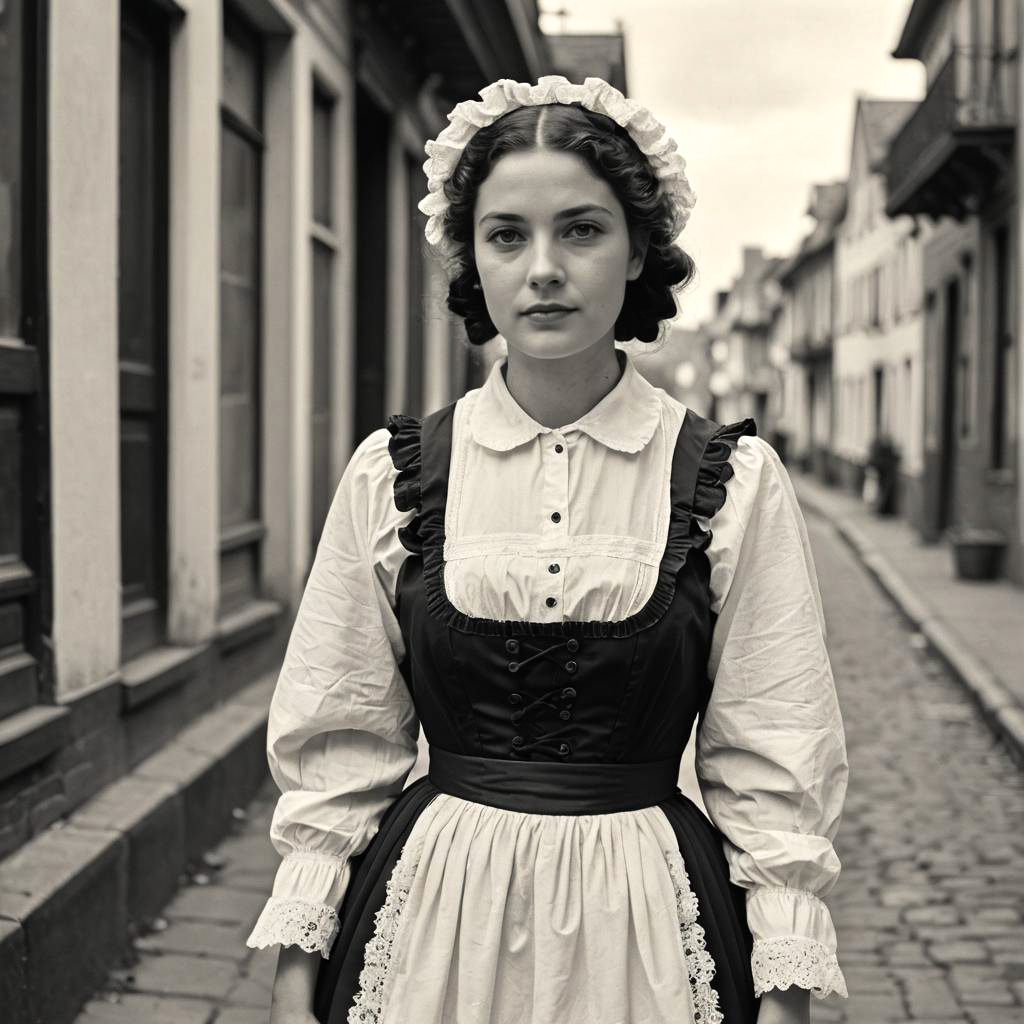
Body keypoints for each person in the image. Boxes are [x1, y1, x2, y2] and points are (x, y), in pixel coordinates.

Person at [247, 75, 850, 1024]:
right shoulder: (393, 474)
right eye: (506, 235)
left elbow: (774, 752)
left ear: (638, 248)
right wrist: (295, 970)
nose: (543, 269)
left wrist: (782, 986)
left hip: (649, 931)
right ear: (471, 258)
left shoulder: (732, 481)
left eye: (581, 229)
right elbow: (340, 742)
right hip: (430, 930)